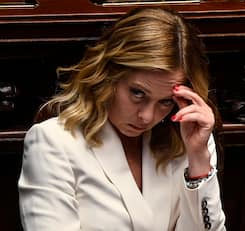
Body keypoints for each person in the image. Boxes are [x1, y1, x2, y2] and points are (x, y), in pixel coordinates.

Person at [18, 7, 226, 231]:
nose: (146, 116)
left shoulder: (191, 141)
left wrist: (199, 161)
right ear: (108, 75)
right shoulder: (54, 142)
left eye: (165, 102)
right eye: (138, 93)